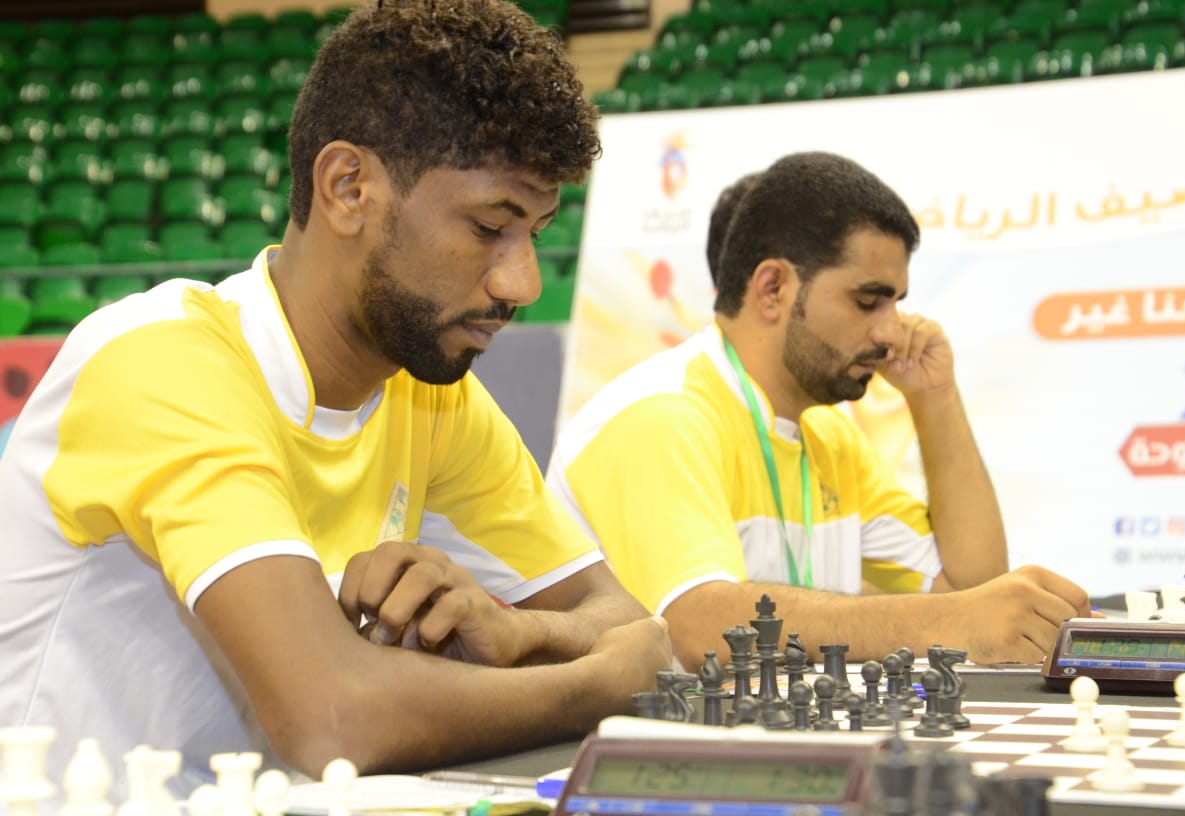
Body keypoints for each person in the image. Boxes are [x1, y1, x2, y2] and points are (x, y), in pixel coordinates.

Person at [0, 0, 672, 795]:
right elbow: (333, 718)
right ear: (348, 187)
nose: (520, 282)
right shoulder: (161, 362)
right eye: (490, 227)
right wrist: (595, 687)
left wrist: (517, 632)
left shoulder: (428, 396)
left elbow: (622, 621)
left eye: (537, 233)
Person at [546, 151, 1091, 672]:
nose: (891, 331)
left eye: (896, 303)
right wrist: (944, 621)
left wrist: (935, 397)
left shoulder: (831, 435)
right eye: (868, 301)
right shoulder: (660, 414)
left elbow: (971, 589)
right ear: (773, 288)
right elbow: (698, 627)